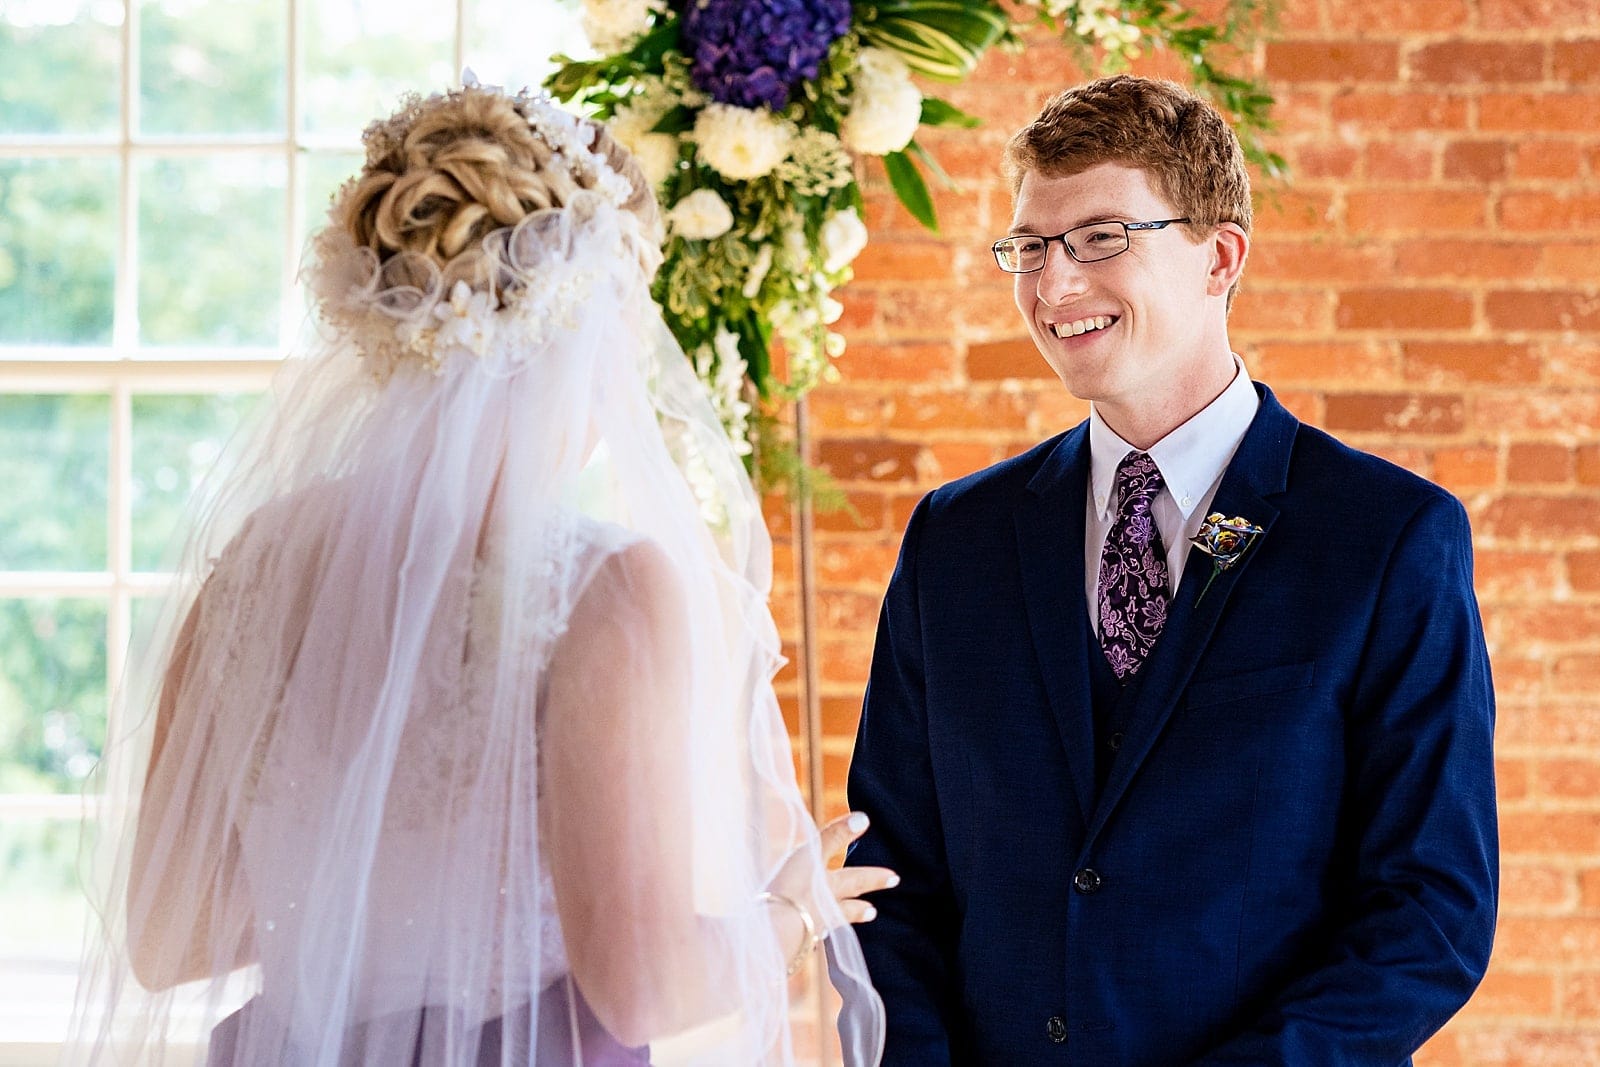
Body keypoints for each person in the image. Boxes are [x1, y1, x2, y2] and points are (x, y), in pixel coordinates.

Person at [67, 82, 891, 1065]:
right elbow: (641, 986)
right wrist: (793, 912)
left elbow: (166, 936)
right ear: (585, 324)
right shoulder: (602, 590)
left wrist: (356, 887)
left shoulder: (253, 569)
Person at [843, 74, 1497, 1064]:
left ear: (1219, 256)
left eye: (1100, 237)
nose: (1053, 286)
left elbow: (1430, 908)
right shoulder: (954, 538)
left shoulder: (1388, 535)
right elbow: (889, 874)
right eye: (1030, 247)